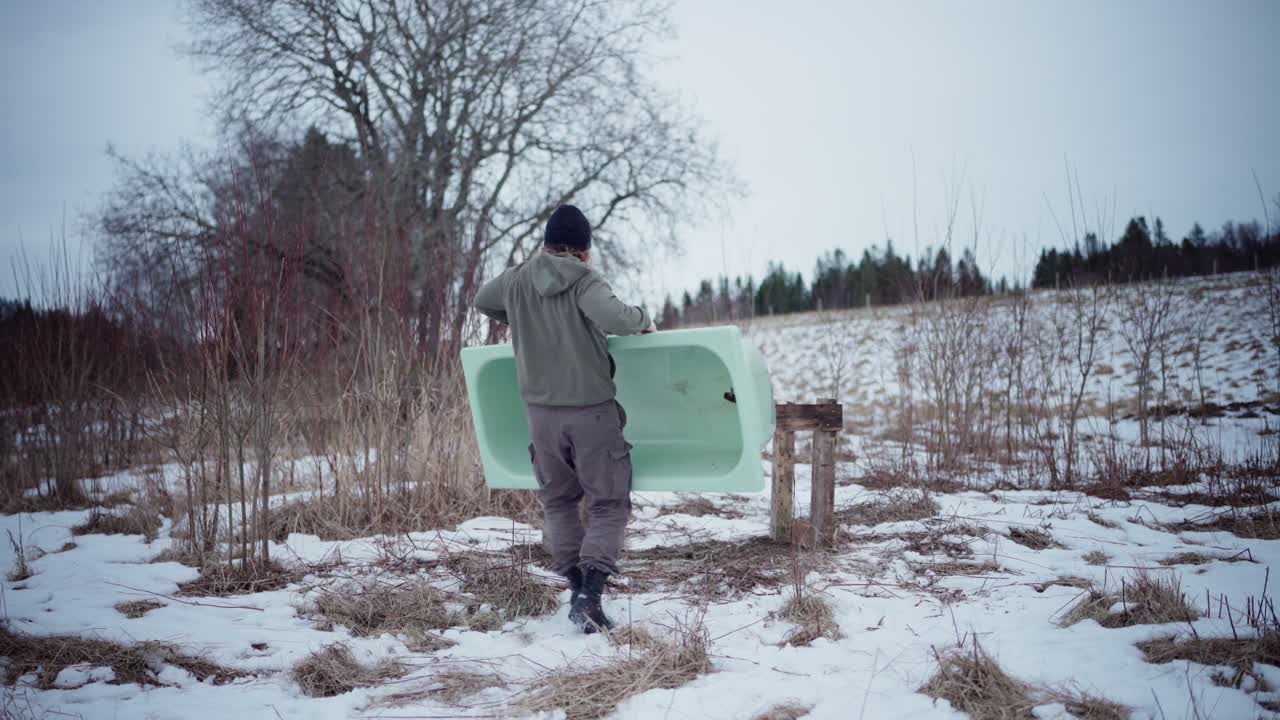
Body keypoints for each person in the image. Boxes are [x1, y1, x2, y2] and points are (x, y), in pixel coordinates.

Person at [473, 204, 655, 633]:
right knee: (608, 502)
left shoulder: (517, 280)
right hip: (590, 412)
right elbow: (616, 318)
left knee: (558, 501)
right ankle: (590, 594)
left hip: (540, 417)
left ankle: (576, 589)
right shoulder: (584, 280)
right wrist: (644, 319)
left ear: (546, 244)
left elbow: (482, 300)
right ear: (585, 250)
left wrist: (518, 316)